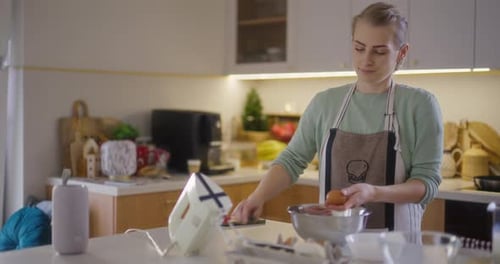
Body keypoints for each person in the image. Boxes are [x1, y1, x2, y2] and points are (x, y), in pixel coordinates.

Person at [231, 2, 443, 232]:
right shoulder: (325, 103)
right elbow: (292, 160)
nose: (366, 60)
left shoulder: (420, 105)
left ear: (402, 53)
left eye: (379, 51)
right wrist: (257, 197)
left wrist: (375, 192)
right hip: (335, 245)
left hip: (396, 250)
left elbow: (427, 183)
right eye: (359, 48)